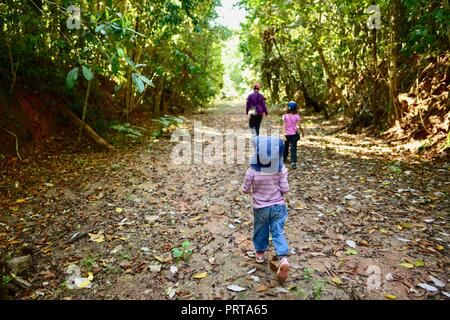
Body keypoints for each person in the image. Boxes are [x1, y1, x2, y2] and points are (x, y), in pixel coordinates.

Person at [241, 136, 290, 281]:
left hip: (261, 208)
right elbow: (285, 189)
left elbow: (245, 189)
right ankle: (283, 257)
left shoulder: (252, 171)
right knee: (277, 231)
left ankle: (260, 254)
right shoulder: (280, 170)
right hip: (277, 207)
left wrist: (247, 189)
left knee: (261, 230)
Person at [282, 101, 305, 169]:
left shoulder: (285, 116)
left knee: (285, 147)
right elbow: (299, 126)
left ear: (287, 108)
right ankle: (293, 162)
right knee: (293, 148)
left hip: (286, 134)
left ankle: (284, 159)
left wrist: (283, 134)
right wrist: (302, 132)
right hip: (294, 134)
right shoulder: (297, 116)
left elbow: (284, 126)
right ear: (295, 108)